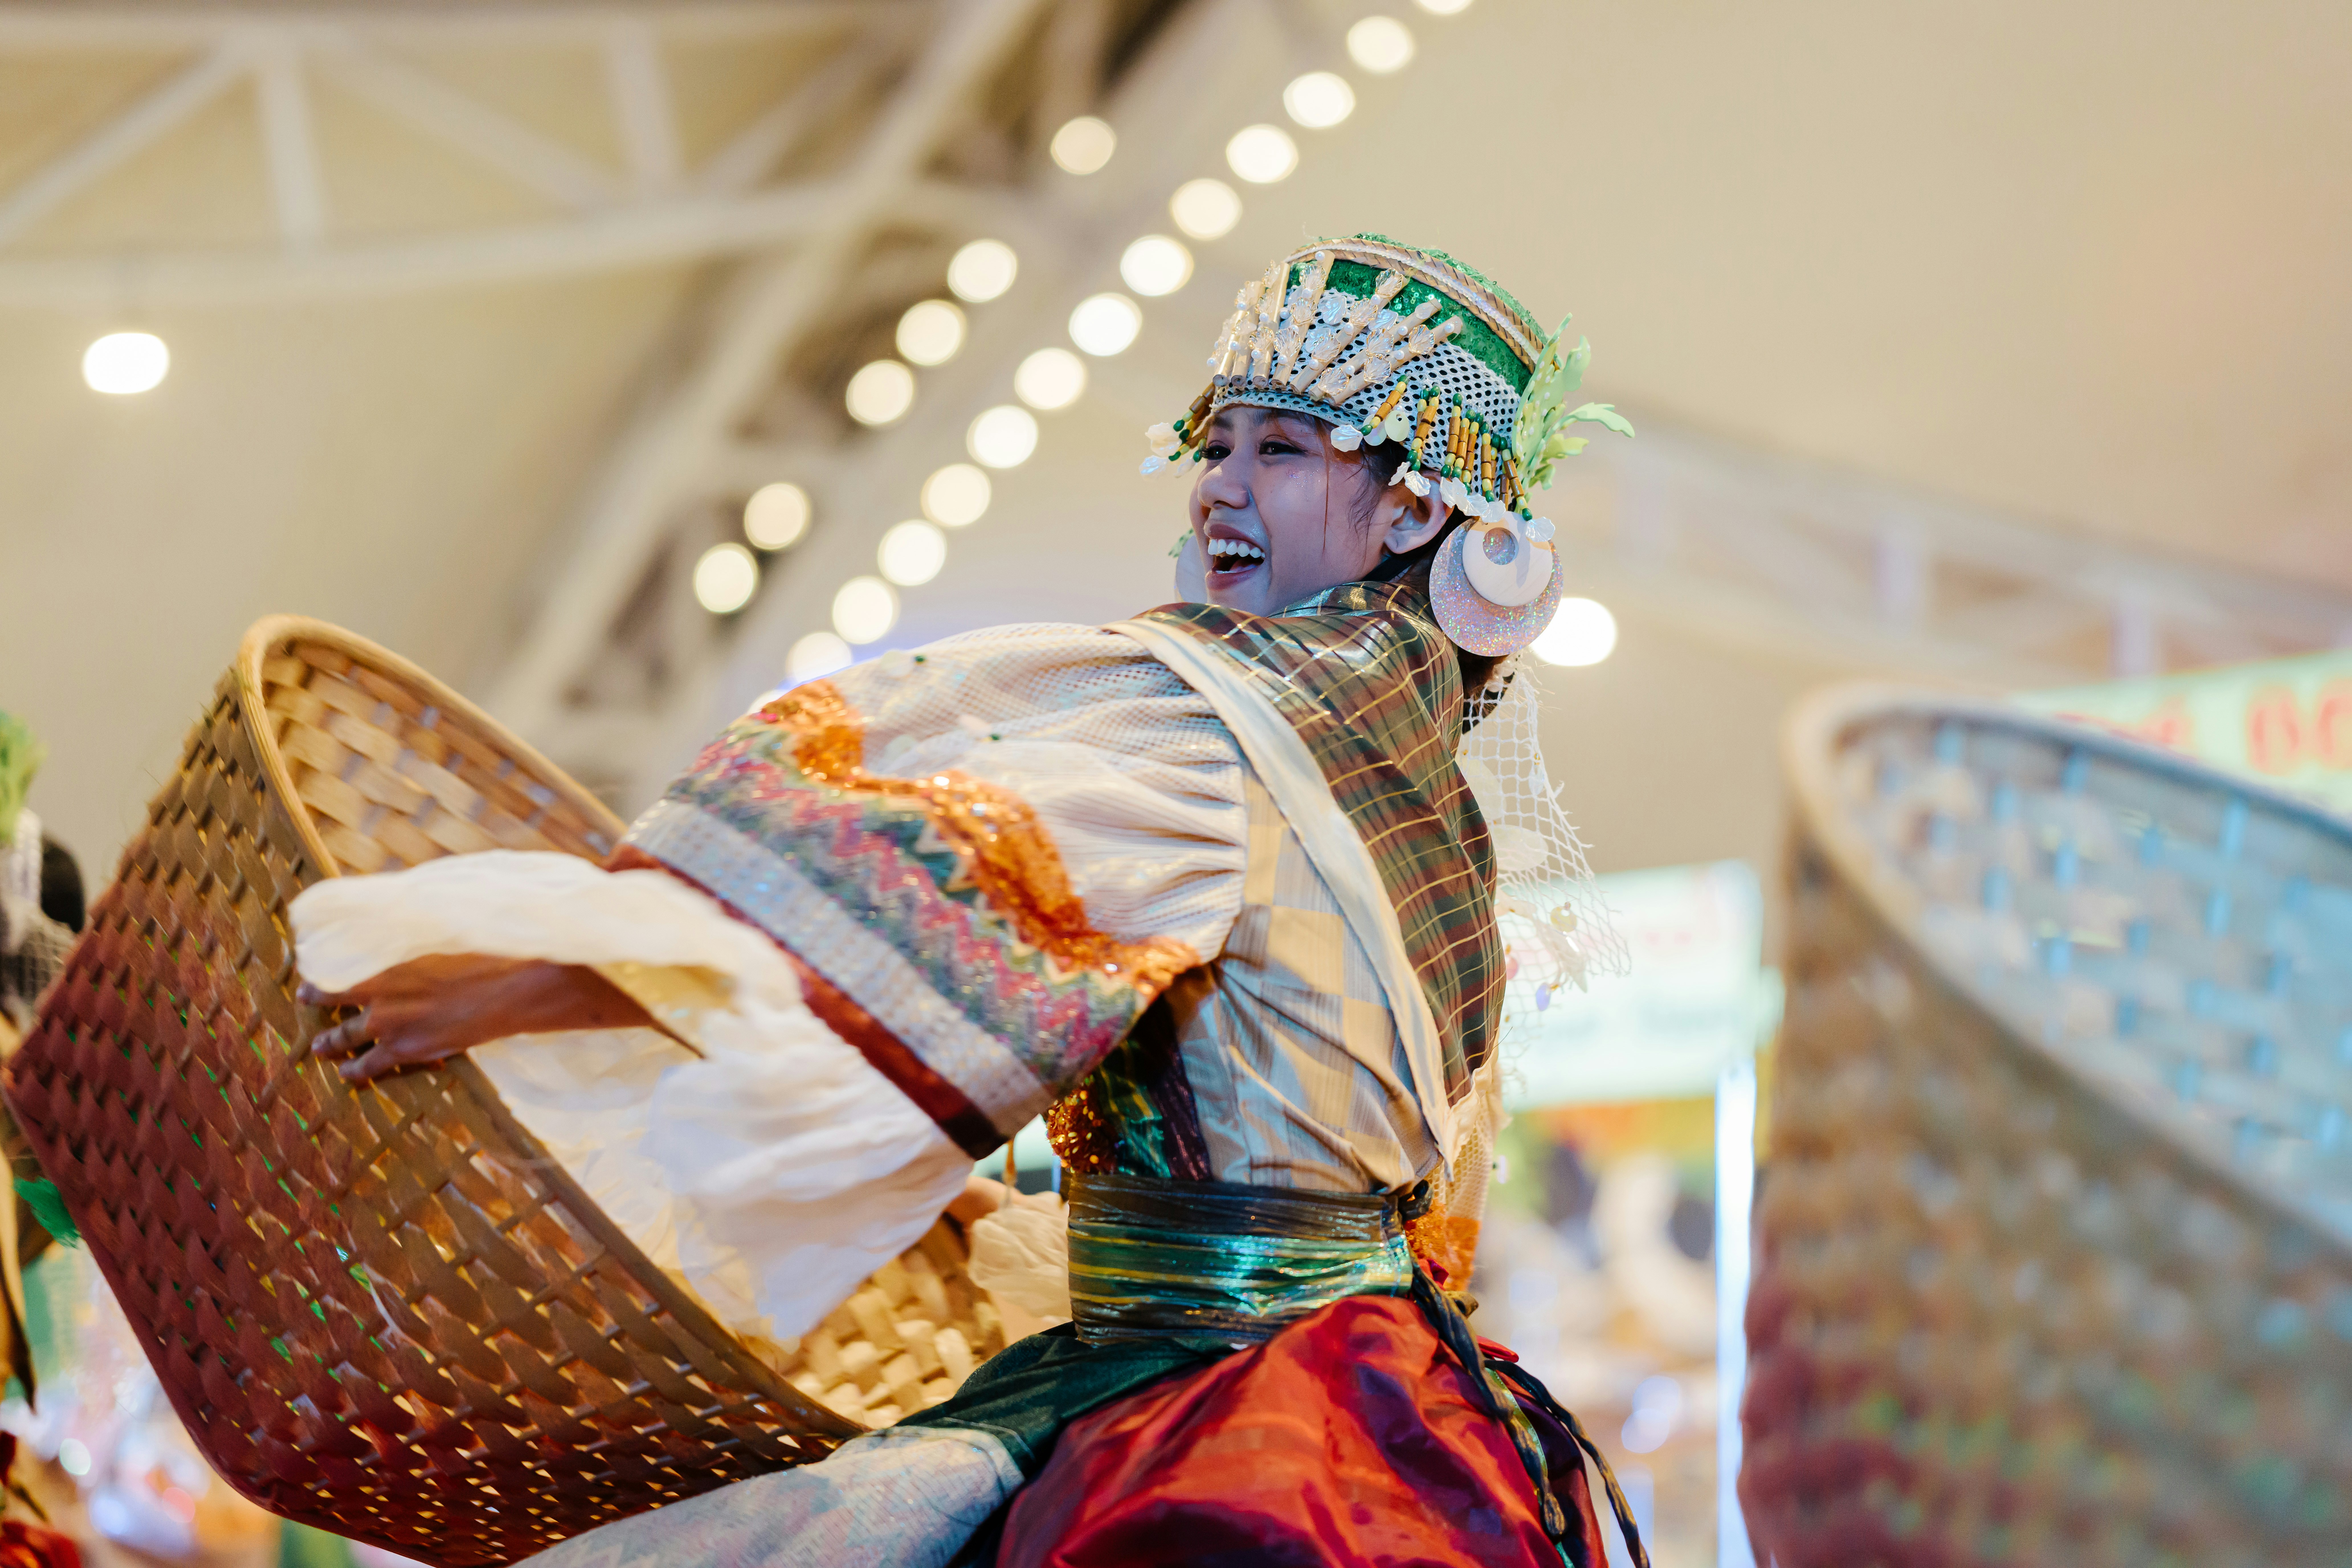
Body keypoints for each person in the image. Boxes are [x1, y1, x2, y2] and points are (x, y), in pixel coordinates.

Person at [290, 234, 1643, 1568]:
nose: (1215, 489)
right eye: (1215, 446)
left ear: (1413, 514)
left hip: (1218, 1436)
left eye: (1281, 451)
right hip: (1414, 1432)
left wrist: (528, 982)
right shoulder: (1433, 813)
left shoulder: (1202, 731)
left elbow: (876, 917)